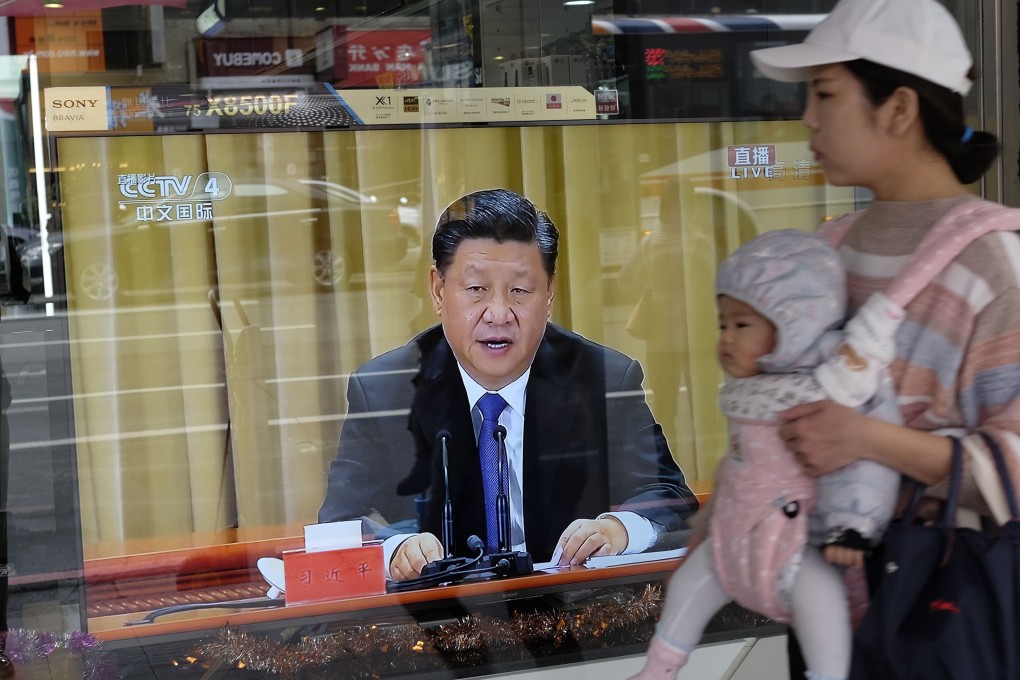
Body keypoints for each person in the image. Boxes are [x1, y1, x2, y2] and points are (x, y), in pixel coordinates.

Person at [744, 0, 1020, 675]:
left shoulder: (994, 263)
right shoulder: (824, 252)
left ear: (898, 109)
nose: (808, 117)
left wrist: (867, 441)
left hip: (939, 616)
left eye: (826, 93)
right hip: (827, 612)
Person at [317, 188, 699, 580]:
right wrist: (395, 548)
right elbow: (339, 521)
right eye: (476, 289)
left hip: (574, 614)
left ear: (549, 293)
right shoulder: (385, 390)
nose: (498, 314)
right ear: (438, 289)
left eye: (519, 290)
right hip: (439, 623)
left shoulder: (600, 378)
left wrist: (616, 530)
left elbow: (668, 497)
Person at [628, 229, 901, 680]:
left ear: (792, 326)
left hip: (793, 542)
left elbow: (859, 466)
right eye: (722, 325)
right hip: (733, 538)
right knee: (690, 585)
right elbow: (736, 467)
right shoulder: (744, 394)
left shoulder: (824, 391)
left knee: (823, 603)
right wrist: (709, 524)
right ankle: (660, 667)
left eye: (741, 324)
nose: (727, 339)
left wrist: (853, 524)